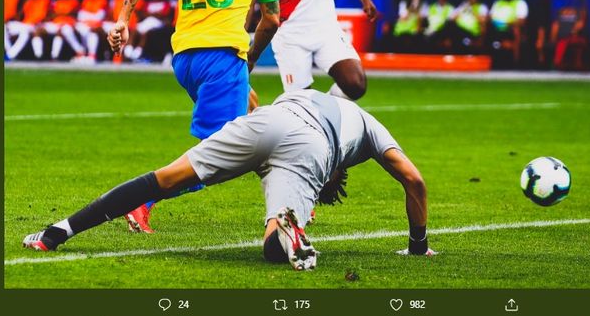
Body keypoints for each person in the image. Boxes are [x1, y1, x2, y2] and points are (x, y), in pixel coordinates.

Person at [23, 89, 434, 271]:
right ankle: (288, 231)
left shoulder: (309, 91)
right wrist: (418, 247)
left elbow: (254, 101)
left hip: (270, 118)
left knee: (164, 178)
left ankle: (57, 231)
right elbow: (413, 180)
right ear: (336, 175)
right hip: (313, 146)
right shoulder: (370, 129)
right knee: (275, 242)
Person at [107, 0, 280, 233]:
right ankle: (143, 200)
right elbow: (271, 19)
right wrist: (246, 59)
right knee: (215, 163)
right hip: (222, 58)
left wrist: (123, 18)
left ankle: (289, 203)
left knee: (255, 115)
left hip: (185, 59)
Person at [488, 0, 528, 68]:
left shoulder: (520, 3)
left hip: (511, 28)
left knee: (516, 31)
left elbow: (521, 21)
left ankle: (515, 63)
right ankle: (490, 62)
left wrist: (507, 24)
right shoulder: (498, 3)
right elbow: (491, 17)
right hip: (496, 28)